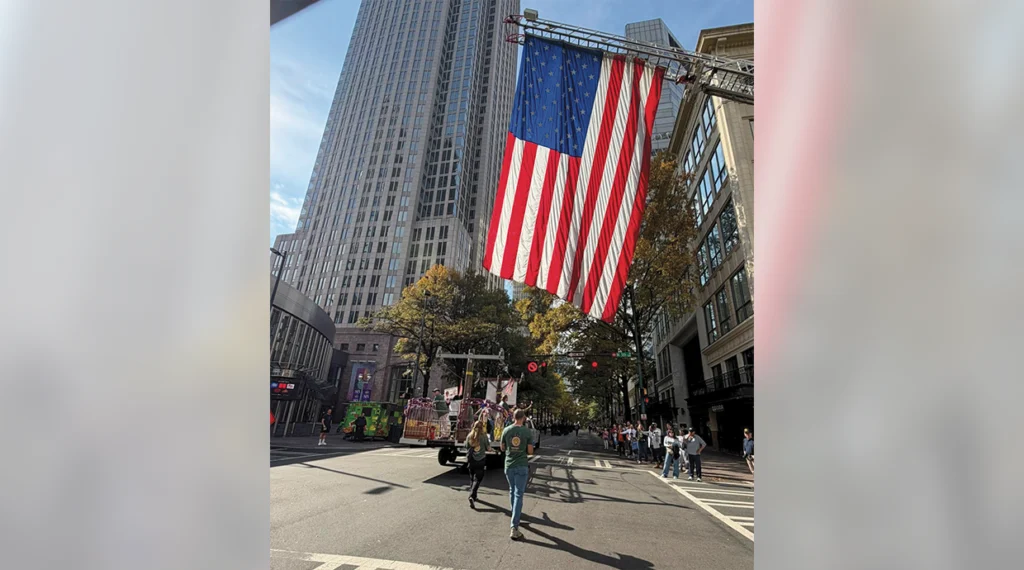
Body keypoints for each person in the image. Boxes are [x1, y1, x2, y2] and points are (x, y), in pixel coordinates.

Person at [500, 409, 534, 540]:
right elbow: (530, 451)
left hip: (509, 465)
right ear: (524, 418)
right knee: (519, 493)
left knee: (512, 490)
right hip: (521, 465)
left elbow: (502, 447)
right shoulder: (527, 431)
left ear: (513, 417)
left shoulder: (506, 430)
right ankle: (514, 526)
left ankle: (515, 514)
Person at [466, 419, 490, 508]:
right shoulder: (484, 436)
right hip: (481, 460)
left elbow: (466, 446)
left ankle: (473, 495)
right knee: (478, 479)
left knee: (472, 478)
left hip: (471, 459)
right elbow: (488, 447)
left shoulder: (469, 435)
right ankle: (472, 495)